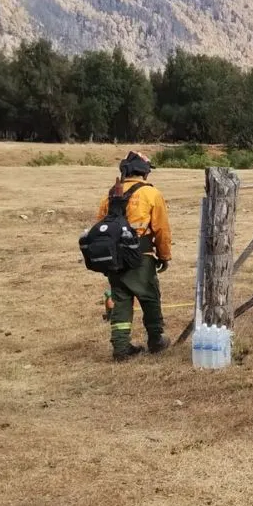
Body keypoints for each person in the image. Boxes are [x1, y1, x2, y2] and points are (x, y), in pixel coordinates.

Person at [96, 151, 172, 362]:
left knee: (120, 301)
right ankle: (156, 341)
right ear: (144, 171)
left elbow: (101, 226)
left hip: (115, 259)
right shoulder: (151, 194)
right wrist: (164, 256)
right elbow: (161, 230)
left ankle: (121, 348)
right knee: (149, 298)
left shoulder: (111, 195)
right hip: (141, 257)